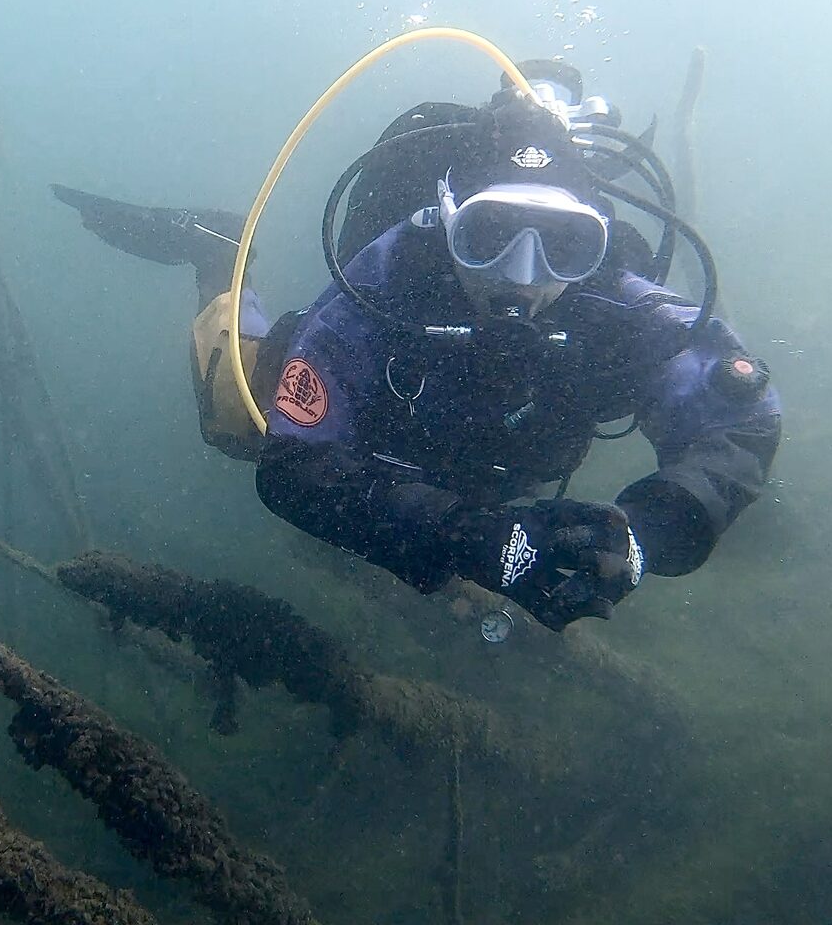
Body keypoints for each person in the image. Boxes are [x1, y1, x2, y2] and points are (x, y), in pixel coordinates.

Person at [54, 60, 780, 631]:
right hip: (376, 436)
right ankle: (220, 254)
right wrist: (465, 537)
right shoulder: (393, 276)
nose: (523, 276)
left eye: (564, 244)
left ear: (596, 242)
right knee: (234, 418)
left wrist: (645, 533)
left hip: (485, 469)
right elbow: (296, 468)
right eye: (489, 236)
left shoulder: (614, 301)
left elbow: (739, 415)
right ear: (446, 221)